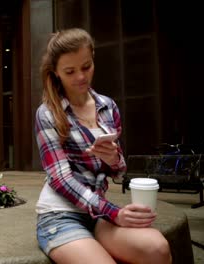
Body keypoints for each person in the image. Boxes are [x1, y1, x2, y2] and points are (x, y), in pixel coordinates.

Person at [34, 28, 172, 264]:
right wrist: (114, 213)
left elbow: (119, 172)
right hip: (60, 215)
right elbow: (60, 179)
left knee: (158, 249)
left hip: (97, 214)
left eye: (86, 67)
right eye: (70, 71)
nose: (81, 77)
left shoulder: (108, 106)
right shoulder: (47, 113)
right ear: (56, 73)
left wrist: (114, 160)